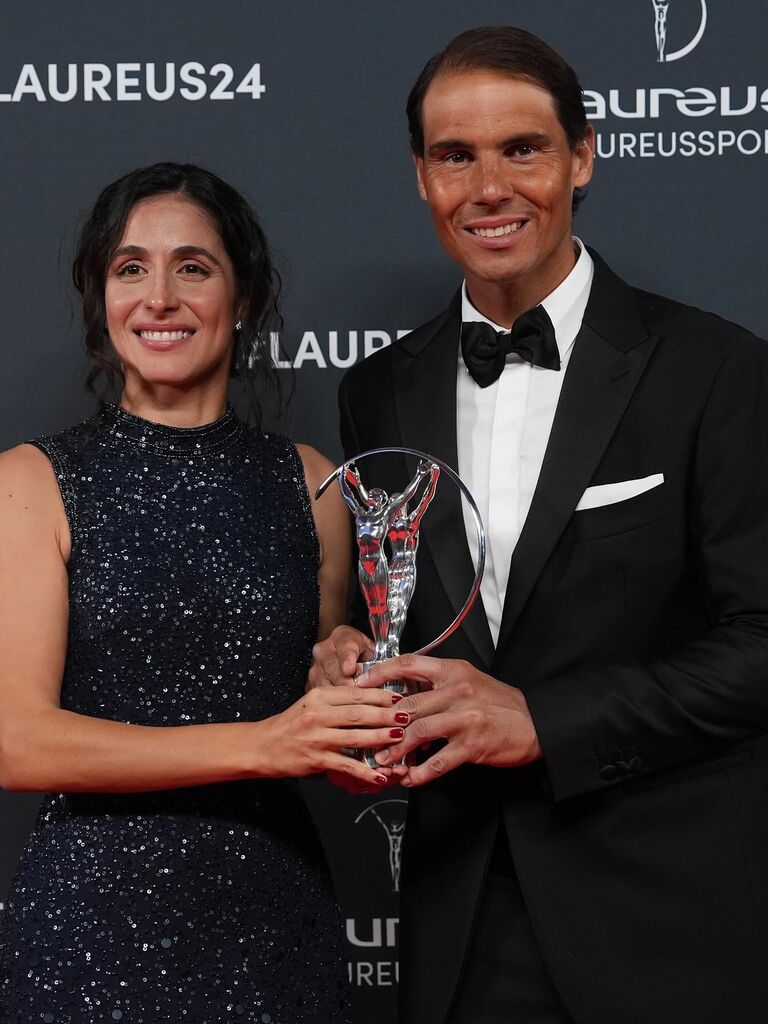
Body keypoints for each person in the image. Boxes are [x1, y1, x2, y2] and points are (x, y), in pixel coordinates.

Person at [310, 26, 768, 1024]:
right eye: (455, 155)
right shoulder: (379, 391)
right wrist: (350, 654)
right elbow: (402, 617)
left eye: (522, 148)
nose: (489, 187)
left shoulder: (716, 371)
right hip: (458, 920)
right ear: (421, 177)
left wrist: (541, 720)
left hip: (666, 918)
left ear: (583, 156)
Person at [0, 162, 405, 1024]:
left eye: (193, 266)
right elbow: (19, 743)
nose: (159, 297)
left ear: (244, 294)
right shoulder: (30, 483)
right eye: (129, 269)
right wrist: (265, 743)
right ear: (99, 298)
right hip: (93, 928)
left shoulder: (315, 485)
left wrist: (336, 667)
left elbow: (315, 671)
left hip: (277, 914)